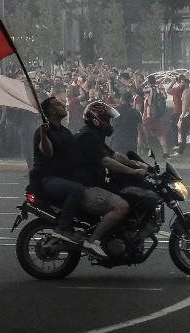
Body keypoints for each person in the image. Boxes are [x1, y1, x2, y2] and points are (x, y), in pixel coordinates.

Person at [72, 101, 150, 259]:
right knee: (121, 206)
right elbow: (106, 161)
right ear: (96, 119)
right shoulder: (87, 136)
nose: (109, 123)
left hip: (94, 183)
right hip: (84, 187)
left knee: (125, 194)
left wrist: (138, 163)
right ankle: (92, 242)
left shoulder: (94, 135)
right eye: (107, 119)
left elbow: (114, 155)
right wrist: (133, 172)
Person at [30, 96, 85, 244]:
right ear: (51, 111)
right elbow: (47, 152)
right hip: (46, 180)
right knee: (76, 190)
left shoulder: (65, 132)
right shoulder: (43, 131)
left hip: (62, 178)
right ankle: (63, 228)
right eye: (58, 104)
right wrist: (43, 134)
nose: (62, 105)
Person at [109, 90, 142, 156]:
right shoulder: (136, 113)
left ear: (121, 99)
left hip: (117, 141)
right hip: (131, 142)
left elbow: (109, 124)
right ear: (131, 101)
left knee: (117, 163)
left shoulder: (114, 111)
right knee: (131, 163)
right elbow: (140, 130)